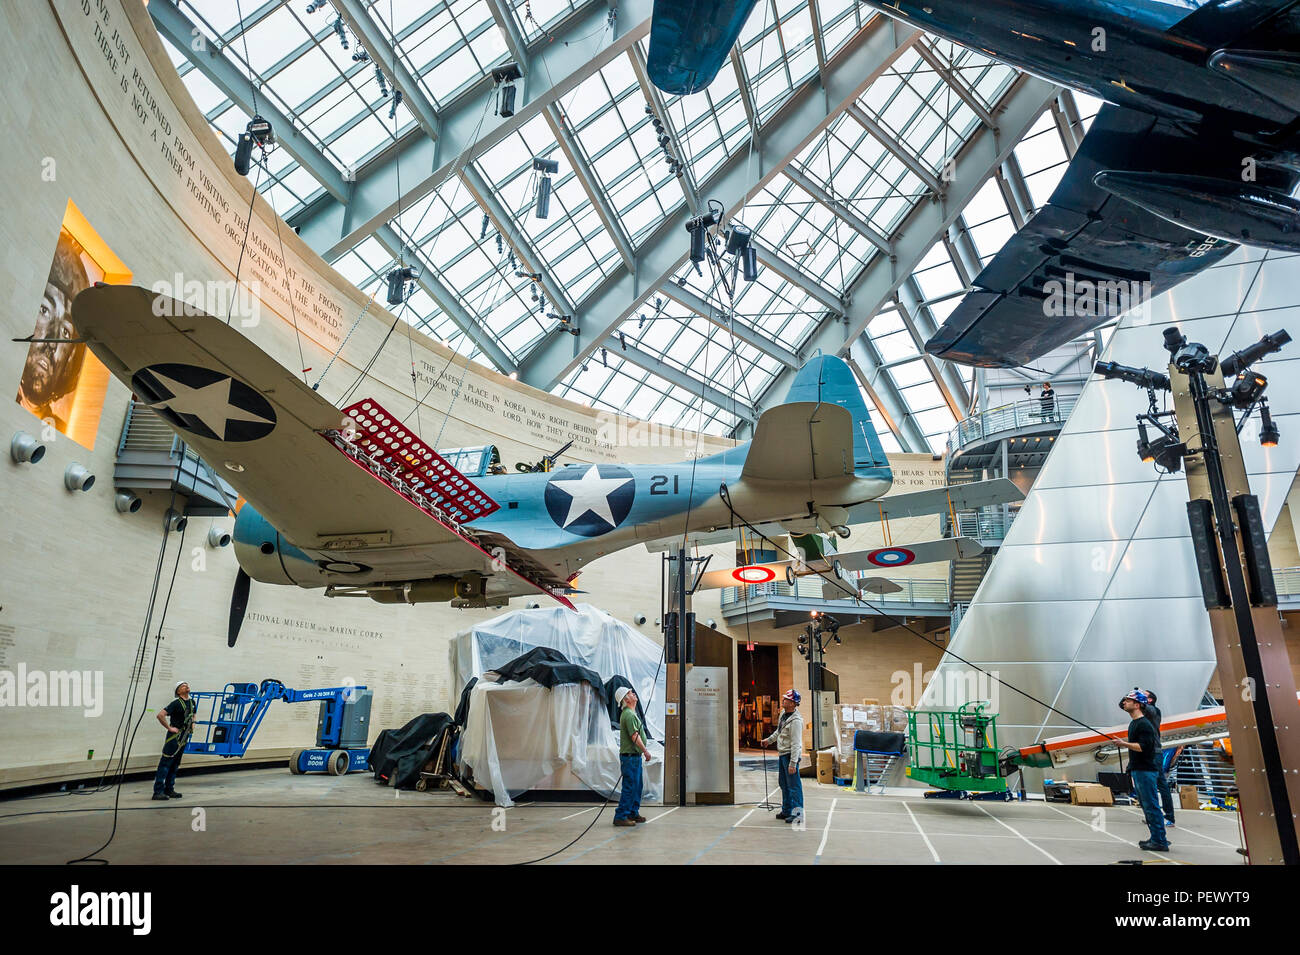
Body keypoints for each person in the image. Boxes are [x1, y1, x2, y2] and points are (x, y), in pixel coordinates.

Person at [18, 230, 91, 432]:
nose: (52, 342)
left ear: (70, 359)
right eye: (44, 311)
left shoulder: (58, 430)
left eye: (66, 332)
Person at [1112, 689, 1168, 851]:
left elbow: (1144, 747)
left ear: (1137, 705)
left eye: (1128, 700)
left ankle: (1160, 841)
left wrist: (1124, 744)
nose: (1124, 703)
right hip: (1139, 769)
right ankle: (1156, 837)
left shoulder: (1144, 724)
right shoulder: (1134, 723)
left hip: (1145, 770)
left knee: (1151, 805)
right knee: (1146, 805)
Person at [761, 689, 805, 823]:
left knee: (794, 786)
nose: (783, 700)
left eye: (786, 699)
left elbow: (796, 744)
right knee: (784, 784)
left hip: (790, 756)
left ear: (792, 703)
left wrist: (793, 763)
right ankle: (786, 810)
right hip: (782, 754)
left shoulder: (796, 721)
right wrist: (769, 740)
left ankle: (798, 814)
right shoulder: (783, 715)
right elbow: (778, 732)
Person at [613, 686, 652, 827]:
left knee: (637, 786)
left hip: (634, 757)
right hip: (630, 758)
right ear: (626, 699)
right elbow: (634, 736)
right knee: (630, 787)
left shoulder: (631, 713)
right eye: (630, 693)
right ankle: (621, 816)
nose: (633, 694)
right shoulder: (629, 715)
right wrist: (645, 751)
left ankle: (632, 813)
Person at [153, 681, 196, 801]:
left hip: (184, 737)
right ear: (178, 691)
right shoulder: (176, 703)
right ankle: (158, 791)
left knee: (175, 764)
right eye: (183, 686)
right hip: (174, 738)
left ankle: (169, 789)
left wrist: (192, 725)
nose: (186, 686)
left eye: (187, 684)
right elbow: (160, 715)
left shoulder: (192, 703)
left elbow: (193, 715)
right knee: (166, 763)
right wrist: (169, 728)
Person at [1141, 688, 1176, 828]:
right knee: (1147, 786)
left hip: (1154, 752)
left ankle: (1169, 817)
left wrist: (1138, 697)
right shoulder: (1142, 713)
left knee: (1161, 784)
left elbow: (1143, 706)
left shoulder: (1154, 711)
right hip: (1144, 752)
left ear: (1150, 700)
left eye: (1144, 695)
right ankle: (1154, 816)